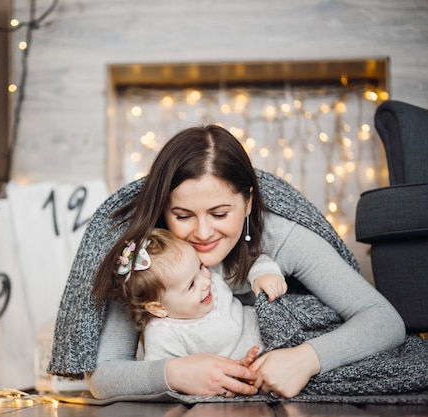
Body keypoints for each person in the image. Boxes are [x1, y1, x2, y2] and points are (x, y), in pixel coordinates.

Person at [48, 124, 405, 400]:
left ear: (248, 203)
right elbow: (104, 376)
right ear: (163, 211)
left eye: (220, 213)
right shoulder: (151, 261)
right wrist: (175, 373)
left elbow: (384, 319)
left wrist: (305, 358)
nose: (203, 232)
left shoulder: (282, 237)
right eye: (183, 215)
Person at [111, 227, 285, 365]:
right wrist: (235, 369)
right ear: (158, 308)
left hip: (275, 328)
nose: (206, 282)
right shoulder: (163, 334)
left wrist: (264, 274)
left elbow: (251, 263)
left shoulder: (212, 275)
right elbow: (174, 377)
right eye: (191, 285)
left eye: (201, 266)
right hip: (251, 368)